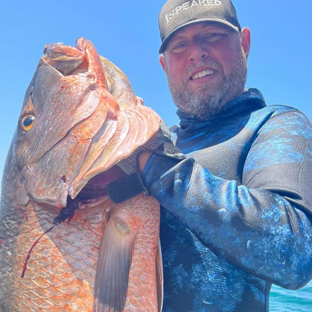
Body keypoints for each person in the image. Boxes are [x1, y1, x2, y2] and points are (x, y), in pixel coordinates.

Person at [111, 0, 312, 311]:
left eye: (213, 35)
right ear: (165, 65)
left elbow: (294, 252)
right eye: (179, 45)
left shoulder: (274, 125)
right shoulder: (157, 146)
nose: (196, 52)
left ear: (244, 43)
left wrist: (154, 167)